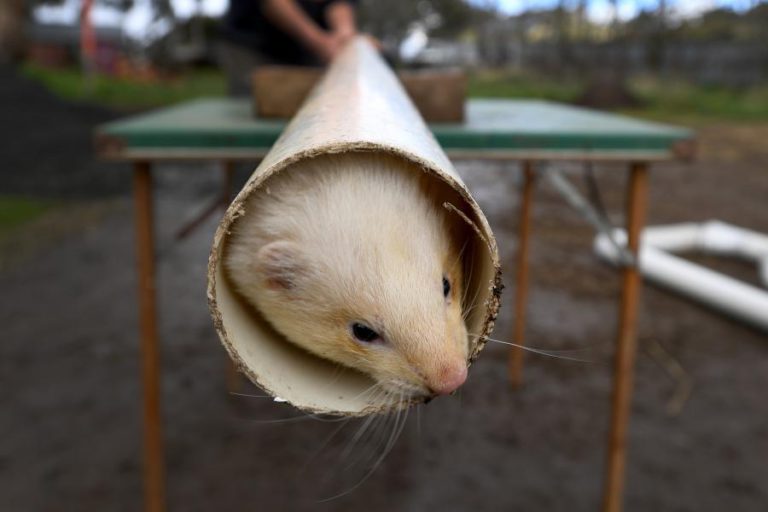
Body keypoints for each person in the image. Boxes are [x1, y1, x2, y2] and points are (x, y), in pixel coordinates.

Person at [218, 0, 359, 96]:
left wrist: (344, 32)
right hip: (252, 43)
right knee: (252, 104)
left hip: (302, 51)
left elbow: (337, 3)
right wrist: (321, 43)